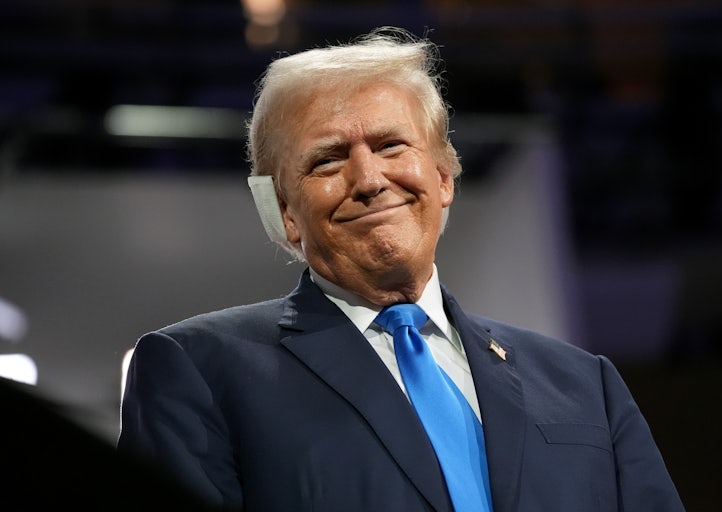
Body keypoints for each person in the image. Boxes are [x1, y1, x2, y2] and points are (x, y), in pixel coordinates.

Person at [117, 27, 685, 512]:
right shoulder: (199, 370)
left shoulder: (586, 384)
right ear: (285, 212)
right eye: (328, 160)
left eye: (391, 145)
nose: (369, 180)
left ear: (443, 177)